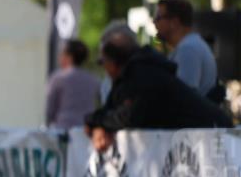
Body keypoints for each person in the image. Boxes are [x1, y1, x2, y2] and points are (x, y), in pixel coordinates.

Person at [85, 31, 231, 152]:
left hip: (211, 138)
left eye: (102, 62)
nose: (103, 68)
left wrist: (96, 121)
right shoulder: (130, 75)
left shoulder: (143, 75)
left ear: (112, 62)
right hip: (201, 137)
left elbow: (128, 116)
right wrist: (99, 125)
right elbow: (111, 110)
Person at [153, 0, 218, 98]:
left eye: (158, 18)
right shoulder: (190, 46)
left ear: (174, 22)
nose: (154, 23)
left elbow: (184, 99)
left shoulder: (188, 50)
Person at [44, 39, 100, 129]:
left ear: (69, 57)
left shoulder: (58, 78)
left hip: (63, 129)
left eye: (62, 54)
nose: (60, 57)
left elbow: (50, 110)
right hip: (86, 129)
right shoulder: (93, 79)